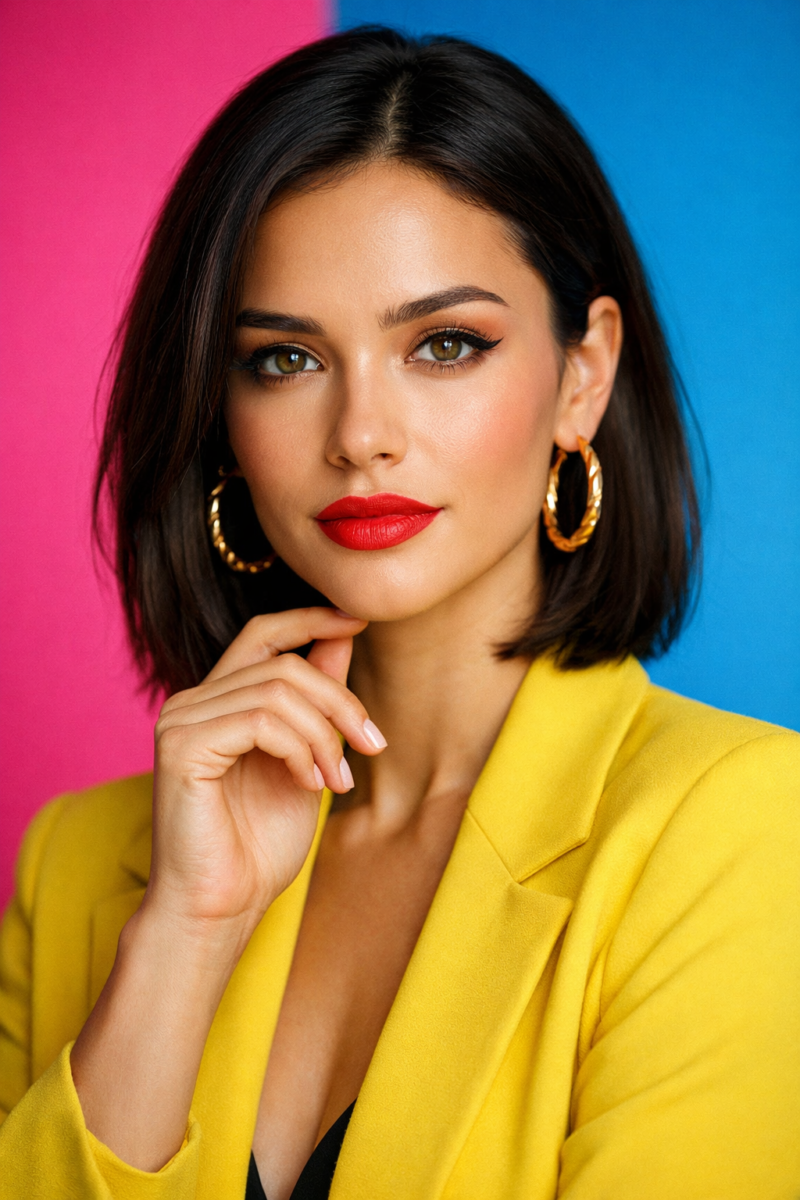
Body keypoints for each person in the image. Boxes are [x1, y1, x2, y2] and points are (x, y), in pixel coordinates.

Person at [0, 26, 797, 1200]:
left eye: (444, 345)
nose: (360, 434)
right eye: (284, 361)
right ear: (217, 409)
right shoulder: (77, 866)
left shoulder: (739, 831)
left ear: (583, 376)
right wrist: (185, 932)